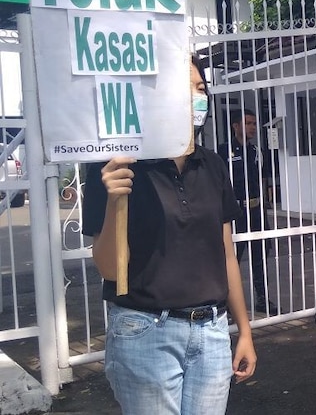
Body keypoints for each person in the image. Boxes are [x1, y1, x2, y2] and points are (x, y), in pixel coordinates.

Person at [82, 56, 257, 414]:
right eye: (184, 89)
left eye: (200, 88)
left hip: (211, 332)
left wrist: (244, 332)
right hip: (145, 332)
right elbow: (109, 270)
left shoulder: (212, 165)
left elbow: (226, 255)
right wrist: (116, 198)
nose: (197, 97)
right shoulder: (117, 164)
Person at [217, 109, 276, 314]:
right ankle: (225, 303)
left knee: (260, 255)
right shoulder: (224, 151)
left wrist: (266, 203)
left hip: (256, 210)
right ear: (235, 126)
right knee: (231, 257)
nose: (252, 127)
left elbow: (263, 178)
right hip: (236, 212)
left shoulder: (256, 151)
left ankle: (262, 298)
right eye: (248, 123)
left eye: (253, 123)